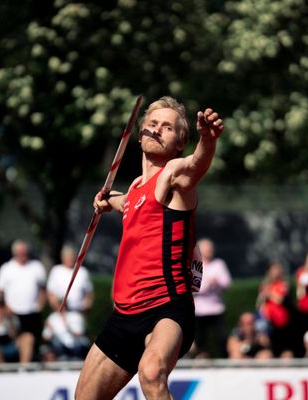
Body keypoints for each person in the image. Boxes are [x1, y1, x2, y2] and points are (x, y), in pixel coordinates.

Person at [75, 97, 224, 400]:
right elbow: (130, 205)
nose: (157, 130)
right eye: (152, 124)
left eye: (167, 127)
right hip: (124, 313)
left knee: (152, 372)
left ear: (179, 142)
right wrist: (107, 201)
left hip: (166, 308)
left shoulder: (173, 174)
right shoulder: (135, 188)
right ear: (141, 131)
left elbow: (196, 165)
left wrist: (207, 141)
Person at [0, 239, 46, 362]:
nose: (23, 255)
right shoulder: (6, 268)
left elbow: (43, 289)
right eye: (20, 253)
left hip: (32, 314)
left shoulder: (36, 267)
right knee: (17, 343)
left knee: (32, 343)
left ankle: (26, 369)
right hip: (12, 314)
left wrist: (40, 305)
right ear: (15, 253)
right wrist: (4, 308)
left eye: (24, 252)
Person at [192, 237, 232, 358]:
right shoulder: (195, 265)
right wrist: (209, 284)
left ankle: (224, 360)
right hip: (199, 310)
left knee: (222, 338)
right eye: (207, 249)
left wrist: (216, 283)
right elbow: (194, 288)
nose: (210, 251)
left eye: (211, 248)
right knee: (200, 339)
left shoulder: (219, 263)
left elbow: (227, 283)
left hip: (216, 308)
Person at [257, 261, 292, 356]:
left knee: (282, 348)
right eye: (273, 269)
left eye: (277, 269)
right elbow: (260, 303)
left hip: (280, 321)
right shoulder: (265, 284)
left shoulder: (283, 284)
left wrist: (267, 292)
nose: (276, 272)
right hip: (267, 321)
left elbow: (279, 300)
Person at [47, 245, 94, 313]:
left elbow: (89, 293)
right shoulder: (56, 270)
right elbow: (50, 293)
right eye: (67, 257)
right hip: (59, 311)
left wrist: (85, 308)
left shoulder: (82, 272)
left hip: (78, 311)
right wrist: (57, 307)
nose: (70, 259)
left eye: (72, 256)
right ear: (63, 258)